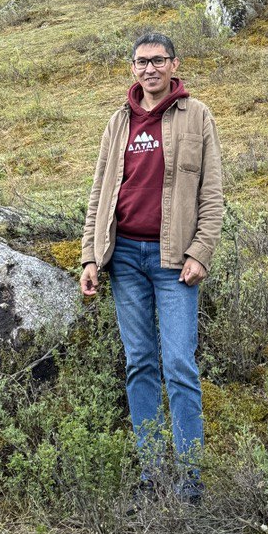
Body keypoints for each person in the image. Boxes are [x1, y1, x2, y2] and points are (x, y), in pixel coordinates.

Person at [80, 32, 223, 502]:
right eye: (142, 62)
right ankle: (151, 473)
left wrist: (200, 252)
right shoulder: (118, 122)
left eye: (158, 61)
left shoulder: (196, 115)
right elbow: (99, 194)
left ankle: (190, 481)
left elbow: (212, 193)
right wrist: (89, 257)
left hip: (173, 262)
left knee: (179, 364)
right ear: (132, 68)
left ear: (174, 64)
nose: (150, 69)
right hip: (123, 260)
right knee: (140, 364)